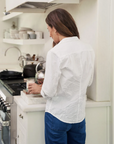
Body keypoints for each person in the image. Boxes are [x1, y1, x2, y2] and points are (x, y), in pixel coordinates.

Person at [28, 8, 95, 144]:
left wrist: (40, 89)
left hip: (58, 116)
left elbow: (49, 92)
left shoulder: (55, 52)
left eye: (49, 30)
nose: (50, 35)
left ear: (55, 28)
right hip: (78, 116)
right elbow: (87, 81)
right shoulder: (88, 49)